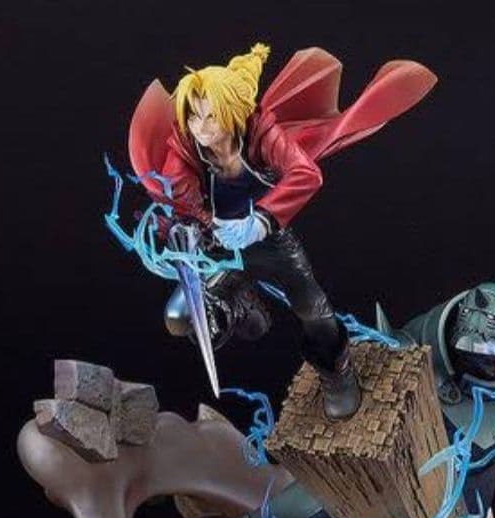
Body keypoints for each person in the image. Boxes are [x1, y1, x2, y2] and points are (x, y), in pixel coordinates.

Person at [128, 43, 436, 419]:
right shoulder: (184, 150)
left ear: (233, 112)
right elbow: (178, 198)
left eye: (210, 117)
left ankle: (336, 373)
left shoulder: (262, 132)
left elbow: (306, 173)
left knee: (313, 307)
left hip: (269, 237)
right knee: (180, 316)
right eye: (193, 116)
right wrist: (185, 228)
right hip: (217, 245)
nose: (200, 127)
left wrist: (260, 221)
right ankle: (238, 302)